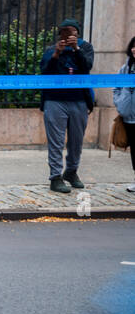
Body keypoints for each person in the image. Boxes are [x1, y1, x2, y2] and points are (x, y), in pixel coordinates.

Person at [40, 18, 95, 193]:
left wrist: (76, 49)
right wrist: (57, 54)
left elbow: (87, 67)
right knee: (56, 141)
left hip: (79, 100)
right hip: (55, 100)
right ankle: (55, 177)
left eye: (72, 31)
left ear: (77, 33)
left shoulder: (85, 48)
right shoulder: (52, 50)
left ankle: (71, 172)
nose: (69, 34)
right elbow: (45, 73)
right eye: (65, 31)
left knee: (76, 141)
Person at [116, 35, 135, 193]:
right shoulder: (125, 68)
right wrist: (119, 103)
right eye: (133, 46)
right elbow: (115, 87)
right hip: (129, 117)